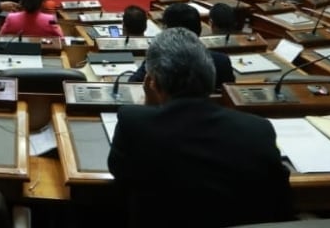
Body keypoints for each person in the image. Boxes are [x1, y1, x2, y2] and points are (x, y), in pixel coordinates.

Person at [108, 28, 293, 228]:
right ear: (211, 75)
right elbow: (280, 200)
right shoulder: (259, 129)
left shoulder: (133, 122)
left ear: (152, 82)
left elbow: (122, 176)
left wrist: (151, 106)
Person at [128, 3, 234, 90]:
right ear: (200, 29)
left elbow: (132, 84)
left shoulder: (156, 58)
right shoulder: (222, 61)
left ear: (167, 32)